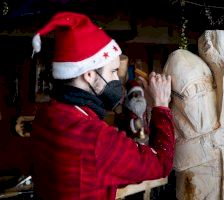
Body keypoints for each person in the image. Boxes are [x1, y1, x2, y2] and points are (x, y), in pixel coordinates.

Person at [30, 11, 174, 200]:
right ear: (89, 74)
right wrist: (161, 106)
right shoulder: (96, 138)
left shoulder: (46, 115)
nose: (117, 80)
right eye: (114, 71)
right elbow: (160, 163)